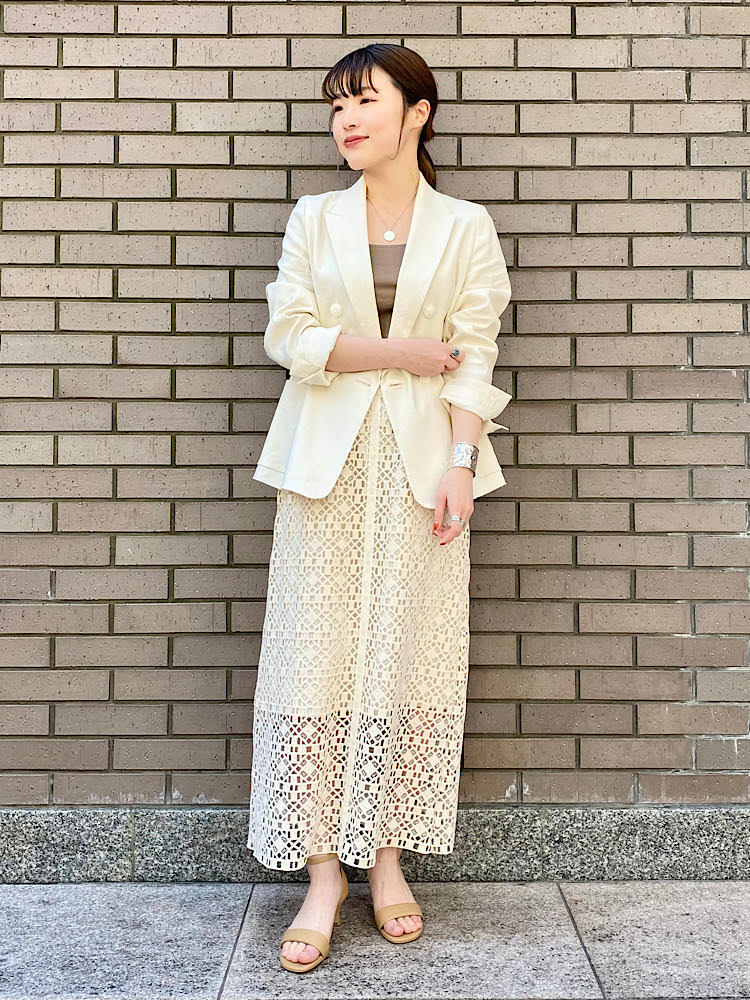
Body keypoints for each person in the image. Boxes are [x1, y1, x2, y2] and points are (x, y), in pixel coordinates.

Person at [246, 43, 513, 973]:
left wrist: (461, 462)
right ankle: (322, 873)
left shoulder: (465, 226)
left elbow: (475, 352)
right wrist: (403, 353)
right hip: (324, 465)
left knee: (408, 654)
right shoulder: (315, 217)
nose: (347, 121)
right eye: (336, 107)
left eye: (364, 101)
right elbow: (291, 337)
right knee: (313, 659)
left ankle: (388, 859)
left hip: (423, 467)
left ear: (418, 112)